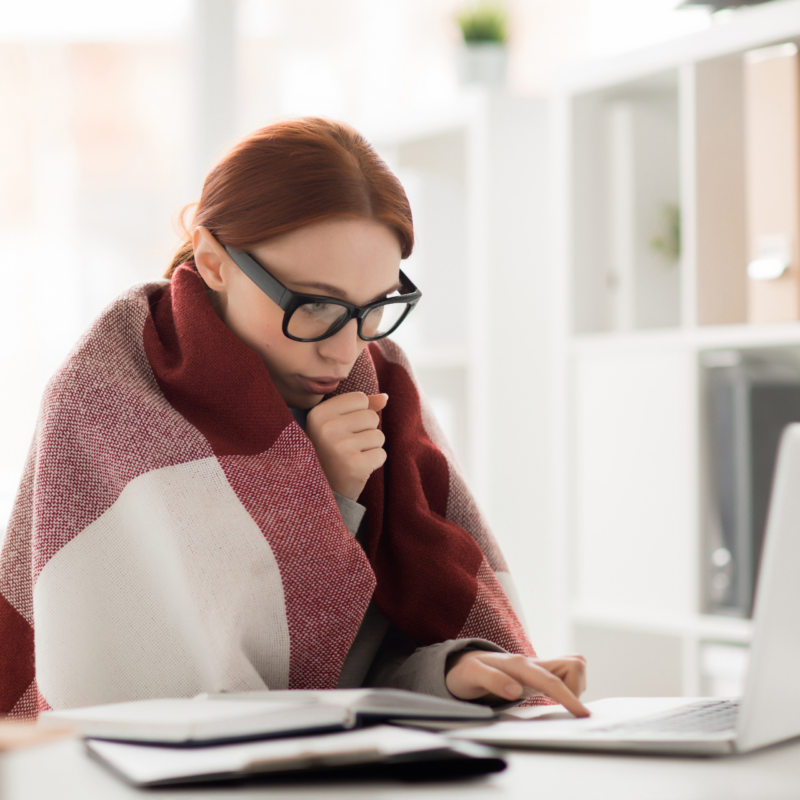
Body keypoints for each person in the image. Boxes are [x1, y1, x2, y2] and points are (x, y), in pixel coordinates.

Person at [0, 117, 587, 720]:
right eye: (315, 306)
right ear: (215, 261)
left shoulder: (381, 380)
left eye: (375, 308)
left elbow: (353, 668)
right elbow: (192, 688)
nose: (343, 350)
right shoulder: (107, 398)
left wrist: (451, 673)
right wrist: (324, 492)